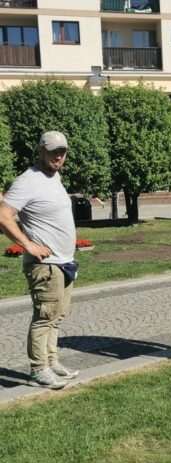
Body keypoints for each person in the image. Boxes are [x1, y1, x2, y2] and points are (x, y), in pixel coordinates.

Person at [0, 131, 79, 390]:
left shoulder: (54, 177)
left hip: (63, 262)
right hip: (45, 265)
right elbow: (3, 215)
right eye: (53, 150)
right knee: (44, 317)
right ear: (40, 151)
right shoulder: (28, 180)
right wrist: (28, 244)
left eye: (62, 151)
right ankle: (38, 371)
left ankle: (52, 362)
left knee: (56, 316)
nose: (59, 155)